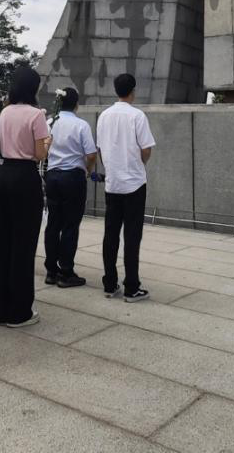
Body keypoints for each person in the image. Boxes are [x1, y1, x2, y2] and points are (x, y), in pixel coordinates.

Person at [0, 66, 50, 327]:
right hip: (25, 177)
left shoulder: (4, 112)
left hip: (3, 176)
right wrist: (49, 140)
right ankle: (20, 311)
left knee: (3, 243)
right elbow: (40, 154)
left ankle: (4, 308)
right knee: (23, 245)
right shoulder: (37, 115)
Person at [97, 73, 155, 302]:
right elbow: (147, 148)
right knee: (132, 236)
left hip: (112, 184)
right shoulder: (137, 115)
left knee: (110, 234)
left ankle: (110, 283)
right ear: (133, 90)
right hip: (134, 183)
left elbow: (100, 148)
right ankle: (132, 286)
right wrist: (138, 164)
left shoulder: (104, 116)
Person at [43, 86, 96, 287]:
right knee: (70, 225)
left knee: (53, 224)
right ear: (76, 104)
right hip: (73, 177)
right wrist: (88, 170)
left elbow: (43, 148)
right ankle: (66, 271)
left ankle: (51, 270)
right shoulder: (81, 125)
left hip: (53, 176)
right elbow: (91, 154)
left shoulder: (49, 122)